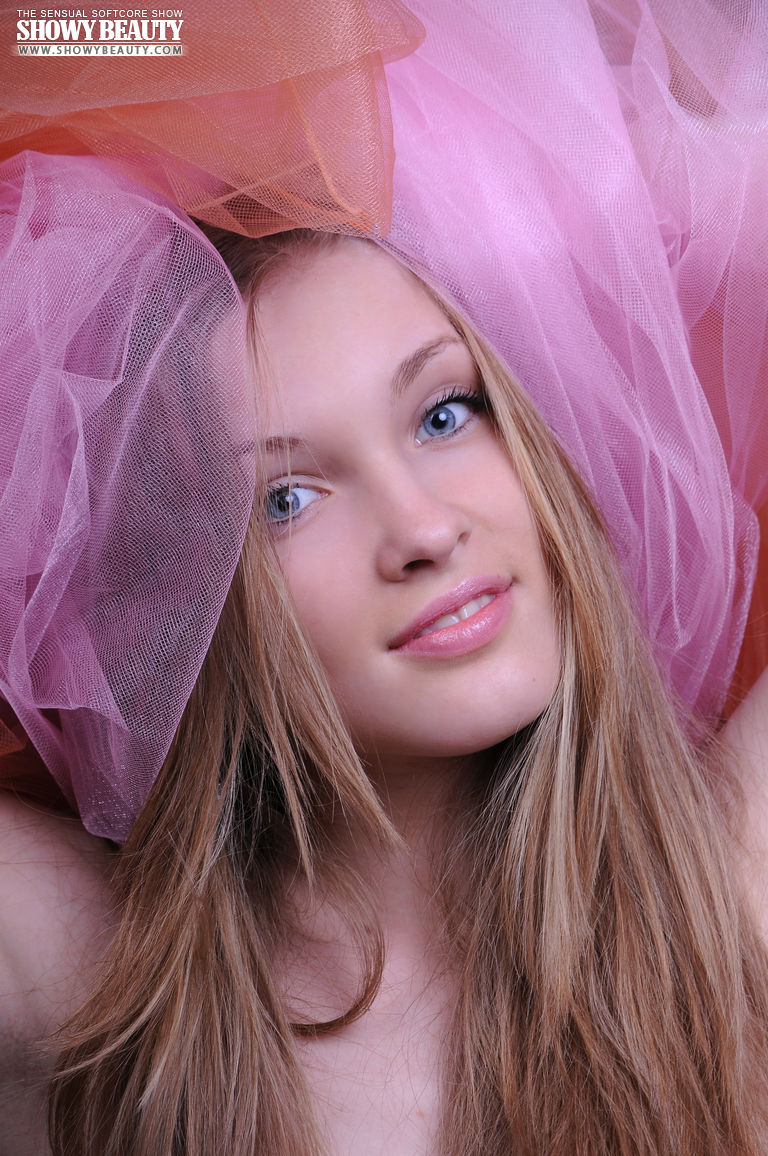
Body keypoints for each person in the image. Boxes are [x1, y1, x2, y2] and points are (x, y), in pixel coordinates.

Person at [2, 2, 768, 1154]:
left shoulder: (735, 891)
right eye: (287, 498)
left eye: (446, 413)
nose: (422, 530)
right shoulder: (84, 979)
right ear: (182, 605)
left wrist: (620, 153)